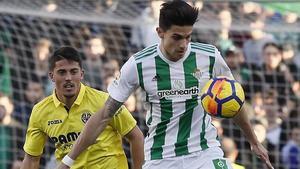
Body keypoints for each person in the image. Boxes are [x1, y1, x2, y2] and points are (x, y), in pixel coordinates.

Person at [58, 1, 274, 169]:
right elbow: (105, 114)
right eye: (177, 37)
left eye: (188, 37)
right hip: (161, 157)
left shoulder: (209, 57)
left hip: (204, 152)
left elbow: (233, 101)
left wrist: (253, 141)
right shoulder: (139, 64)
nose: (183, 45)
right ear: (160, 32)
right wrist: (69, 160)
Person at [20, 46, 144, 169]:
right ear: (51, 76)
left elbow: (136, 136)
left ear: (82, 74)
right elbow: (31, 159)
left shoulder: (105, 101)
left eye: (73, 72)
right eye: (62, 72)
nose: (68, 78)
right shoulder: (40, 111)